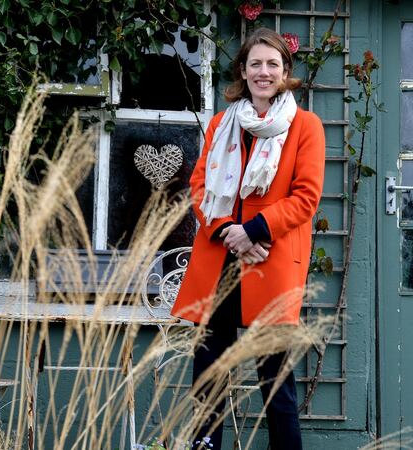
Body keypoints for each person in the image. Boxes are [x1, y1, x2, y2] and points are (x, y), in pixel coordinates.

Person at [170, 27, 325, 450]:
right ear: (243, 69)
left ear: (285, 70)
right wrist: (227, 232)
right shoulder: (222, 123)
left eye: (272, 64)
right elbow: (200, 187)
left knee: (276, 387)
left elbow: (306, 197)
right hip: (218, 261)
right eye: (255, 63)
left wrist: (253, 231)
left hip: (270, 263)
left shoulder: (306, 126)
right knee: (209, 379)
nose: (263, 71)